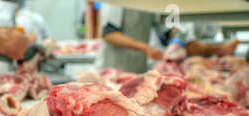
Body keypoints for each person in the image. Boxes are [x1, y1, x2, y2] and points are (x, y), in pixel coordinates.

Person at [96, 4, 238, 73]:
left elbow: (165, 29)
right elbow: (109, 34)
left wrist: (176, 36)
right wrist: (145, 48)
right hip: (111, 70)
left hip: (136, 70)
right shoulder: (115, 3)